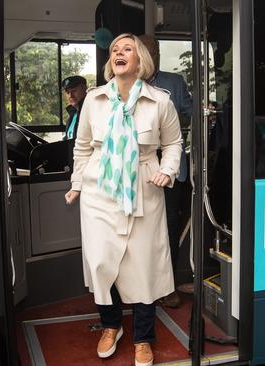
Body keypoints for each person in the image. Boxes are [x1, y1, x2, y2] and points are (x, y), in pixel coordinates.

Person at [64, 33, 182, 366]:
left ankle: (144, 337)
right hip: (99, 192)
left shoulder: (160, 101)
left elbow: (173, 144)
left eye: (126, 49)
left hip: (143, 189)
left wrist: (168, 170)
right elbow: (83, 147)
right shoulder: (94, 100)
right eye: (115, 49)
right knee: (102, 263)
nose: (119, 53)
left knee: (141, 266)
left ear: (140, 59)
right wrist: (77, 184)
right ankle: (111, 324)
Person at [139, 34, 192, 308]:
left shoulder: (174, 82)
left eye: (154, 51)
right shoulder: (125, 85)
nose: (151, 57)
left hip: (171, 170)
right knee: (139, 230)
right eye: (145, 51)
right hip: (137, 172)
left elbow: (192, 113)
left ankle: (167, 287)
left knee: (168, 230)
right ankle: (139, 285)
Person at [61, 75, 88, 140]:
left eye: (74, 91)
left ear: (84, 89)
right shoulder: (73, 113)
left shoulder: (90, 112)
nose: (70, 96)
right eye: (68, 92)